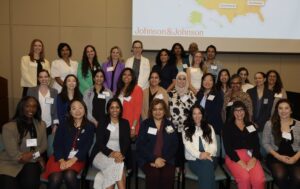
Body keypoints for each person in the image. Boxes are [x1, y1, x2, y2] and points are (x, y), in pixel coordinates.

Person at [43, 99, 94, 189]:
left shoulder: (90, 126)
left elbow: (86, 146)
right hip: (59, 157)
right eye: (74, 108)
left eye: (80, 108)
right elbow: (57, 144)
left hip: (78, 158)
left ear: (85, 109)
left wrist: (72, 160)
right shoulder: (63, 125)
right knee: (55, 178)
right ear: (70, 111)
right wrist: (62, 160)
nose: (77, 111)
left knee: (69, 175)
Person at [0, 96, 47, 189]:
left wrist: (34, 155)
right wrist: (36, 156)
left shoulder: (41, 124)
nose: (31, 109)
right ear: (22, 107)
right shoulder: (8, 127)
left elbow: (43, 146)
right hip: (10, 162)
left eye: (34, 106)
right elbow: (15, 156)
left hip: (31, 162)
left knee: (31, 184)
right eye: (27, 106)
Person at [136, 99, 178, 189]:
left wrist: (163, 160)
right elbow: (140, 145)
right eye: (155, 109)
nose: (158, 112)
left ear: (164, 111)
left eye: (160, 109)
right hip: (148, 160)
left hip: (167, 159)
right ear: (151, 111)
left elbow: (175, 145)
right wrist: (154, 159)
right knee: (154, 175)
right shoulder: (145, 124)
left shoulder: (169, 125)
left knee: (167, 176)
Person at [90, 98, 131, 189]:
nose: (114, 110)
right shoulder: (103, 121)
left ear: (120, 109)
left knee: (116, 165)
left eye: (117, 107)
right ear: (108, 109)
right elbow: (99, 143)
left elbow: (126, 142)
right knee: (118, 166)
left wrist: (120, 155)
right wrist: (112, 153)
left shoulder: (125, 123)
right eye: (112, 107)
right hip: (101, 153)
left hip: (119, 154)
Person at [223, 101, 265, 189]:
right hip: (234, 156)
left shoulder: (251, 125)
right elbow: (228, 148)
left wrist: (254, 159)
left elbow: (256, 144)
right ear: (233, 112)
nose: (239, 113)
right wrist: (240, 162)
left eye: (241, 110)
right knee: (245, 178)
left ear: (245, 111)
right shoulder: (227, 127)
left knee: (259, 180)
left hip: (251, 155)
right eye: (236, 110)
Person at [262, 99, 300, 189]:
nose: (283, 111)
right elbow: (265, 142)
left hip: (295, 156)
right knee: (280, 175)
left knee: (298, 177)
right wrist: (278, 156)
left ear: (291, 110)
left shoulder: (298, 125)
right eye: (280, 108)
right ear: (277, 110)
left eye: (286, 108)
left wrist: (295, 158)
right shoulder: (269, 124)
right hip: (275, 156)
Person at [182, 104, 217, 189]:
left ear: (202, 114)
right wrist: (200, 155)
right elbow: (188, 147)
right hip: (194, 159)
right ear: (191, 115)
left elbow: (214, 145)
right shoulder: (186, 129)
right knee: (207, 169)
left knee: (206, 165)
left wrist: (207, 153)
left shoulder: (209, 127)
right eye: (194, 113)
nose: (197, 116)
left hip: (210, 156)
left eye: (199, 113)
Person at [169, 71, 196, 168]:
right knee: (174, 148)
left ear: (186, 81)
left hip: (186, 128)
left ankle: (182, 169)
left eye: (184, 79)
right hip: (173, 128)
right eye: (179, 78)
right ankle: (175, 169)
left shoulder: (191, 94)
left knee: (183, 148)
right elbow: (167, 111)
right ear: (176, 80)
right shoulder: (170, 94)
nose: (181, 81)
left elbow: (194, 112)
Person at [27, 69, 59, 135]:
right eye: (41, 77)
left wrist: (56, 124)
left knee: (47, 144)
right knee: (35, 144)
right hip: (35, 124)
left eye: (46, 76)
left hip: (49, 125)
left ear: (49, 78)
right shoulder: (31, 91)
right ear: (38, 78)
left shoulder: (54, 92)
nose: (43, 79)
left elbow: (55, 110)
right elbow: (27, 108)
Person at [115, 68, 143, 138]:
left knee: (126, 147)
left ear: (132, 77)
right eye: (124, 74)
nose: (126, 76)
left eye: (129, 75)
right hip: (118, 122)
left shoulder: (137, 89)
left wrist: (133, 127)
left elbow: (138, 110)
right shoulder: (119, 89)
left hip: (129, 124)